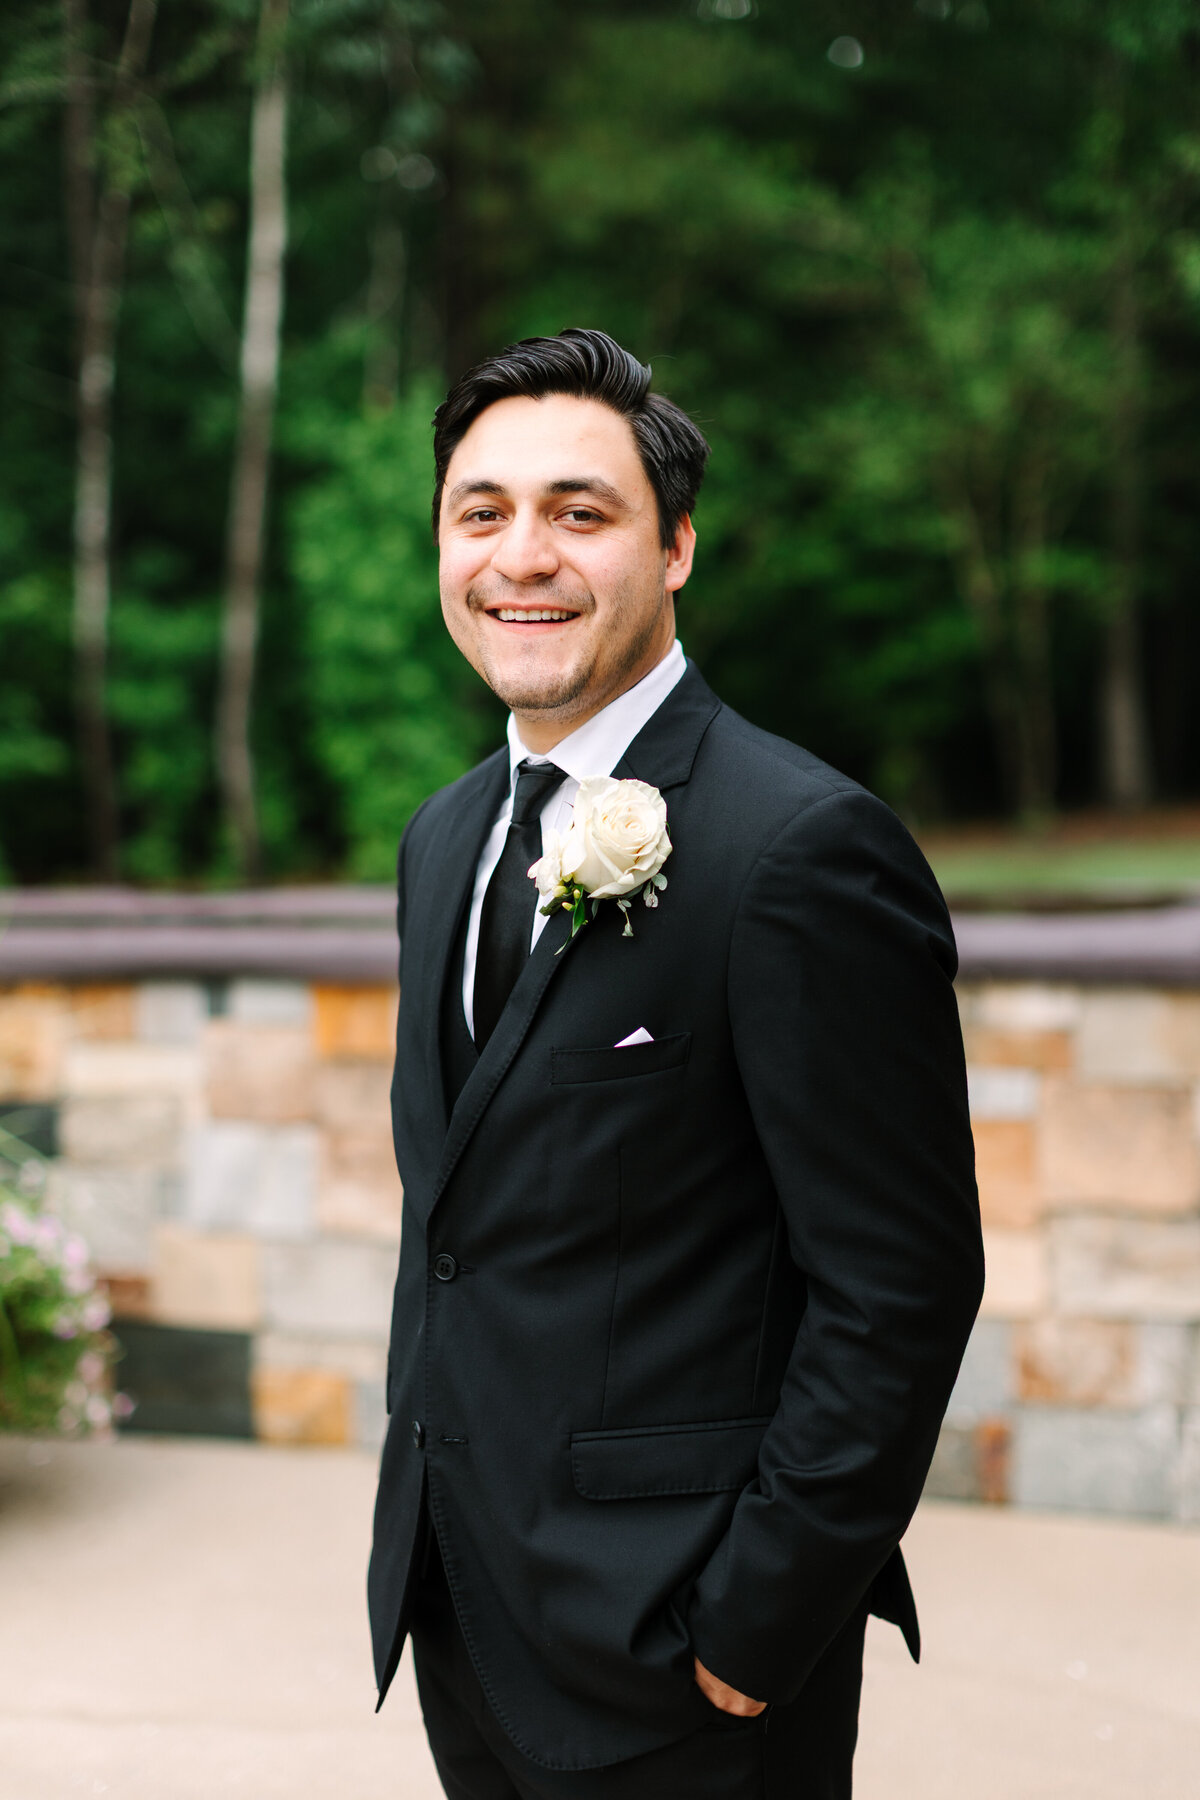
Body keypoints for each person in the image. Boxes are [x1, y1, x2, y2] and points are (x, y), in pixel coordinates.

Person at [368, 327, 983, 1799]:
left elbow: (900, 1283)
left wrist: (760, 1623)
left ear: (679, 547)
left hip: (688, 1656)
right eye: (482, 513)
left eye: (580, 513)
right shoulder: (444, 839)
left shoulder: (803, 851)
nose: (524, 555)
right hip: (462, 1603)